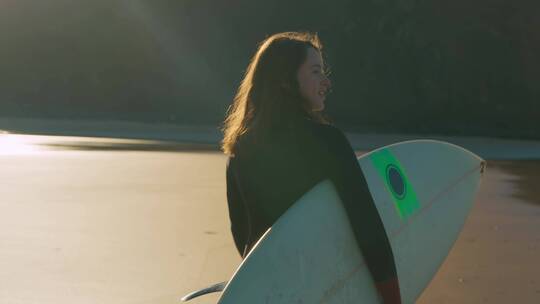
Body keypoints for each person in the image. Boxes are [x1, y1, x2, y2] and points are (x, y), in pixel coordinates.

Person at [221, 31, 401, 303]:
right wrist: (392, 297)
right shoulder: (327, 142)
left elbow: (242, 234)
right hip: (323, 287)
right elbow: (367, 228)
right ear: (285, 81)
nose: (326, 82)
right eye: (316, 72)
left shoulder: (241, 149)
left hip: (270, 292)